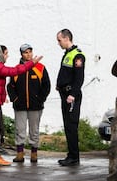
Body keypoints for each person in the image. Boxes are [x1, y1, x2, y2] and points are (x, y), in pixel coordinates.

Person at [0, 45, 43, 166]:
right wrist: (32, 63)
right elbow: (14, 71)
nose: (7, 56)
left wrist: (3, 97)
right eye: (6, 53)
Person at [7, 43, 51, 163]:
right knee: (19, 130)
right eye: (26, 52)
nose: (29, 54)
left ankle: (34, 154)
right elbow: (10, 86)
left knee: (34, 130)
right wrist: (15, 99)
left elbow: (46, 85)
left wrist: (40, 99)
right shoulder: (17, 69)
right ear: (21, 54)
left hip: (35, 106)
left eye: (30, 52)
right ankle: (20, 154)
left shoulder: (40, 68)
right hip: (20, 106)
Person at [56, 29, 85, 167]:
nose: (58, 43)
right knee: (67, 126)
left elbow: (79, 78)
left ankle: (74, 157)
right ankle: (71, 155)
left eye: (59, 40)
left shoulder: (77, 55)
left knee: (72, 126)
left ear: (67, 38)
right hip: (64, 94)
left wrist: (72, 94)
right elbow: (65, 73)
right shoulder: (68, 54)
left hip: (71, 96)